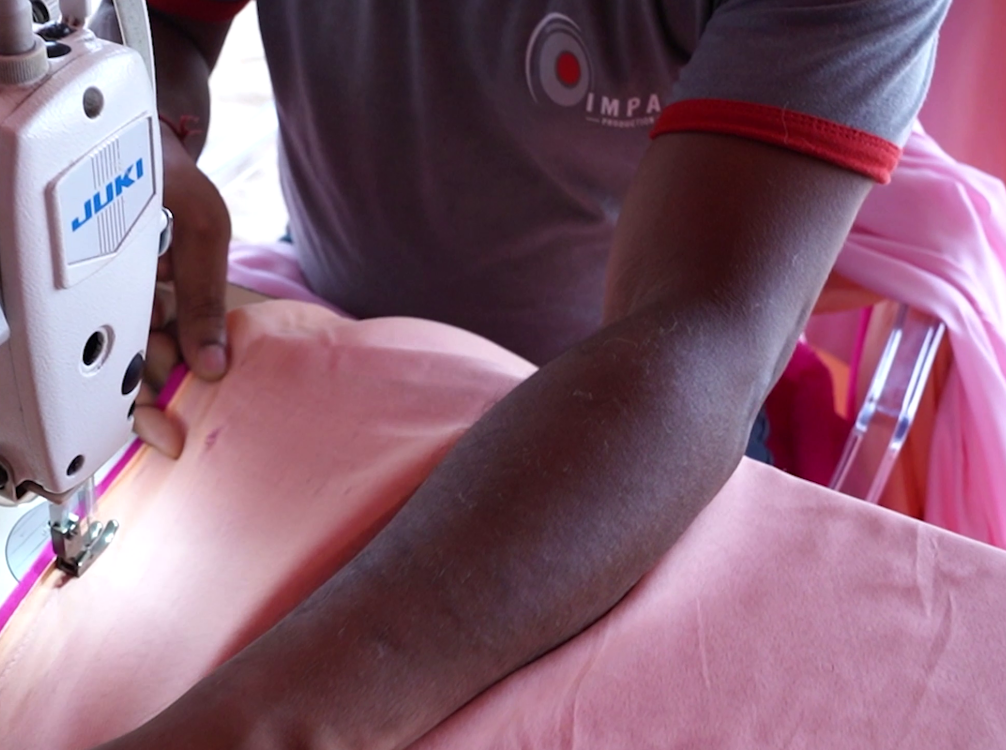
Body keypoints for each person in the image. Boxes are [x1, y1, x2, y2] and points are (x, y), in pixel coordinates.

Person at [97, 1, 950, 747]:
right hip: (335, 313)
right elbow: (165, 26)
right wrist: (138, 140)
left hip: (630, 423)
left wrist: (261, 726)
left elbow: (702, 329)